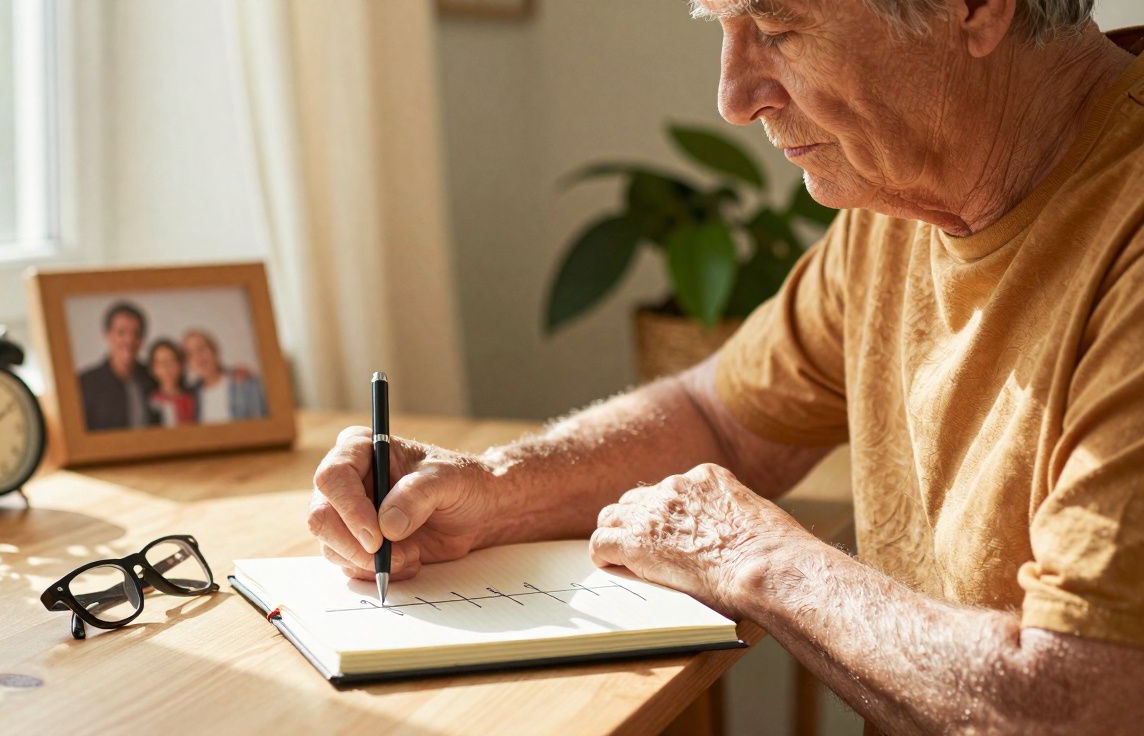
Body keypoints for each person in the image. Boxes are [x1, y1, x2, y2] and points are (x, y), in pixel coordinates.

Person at [308, 2, 1144, 733]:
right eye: (721, 25)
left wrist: (756, 556)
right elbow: (721, 416)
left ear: (974, 6)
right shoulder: (907, 191)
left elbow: (1080, 706)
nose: (734, 99)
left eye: (777, 28)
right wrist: (492, 489)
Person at [77, 302, 158, 431]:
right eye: (121, 333)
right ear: (107, 335)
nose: (129, 340)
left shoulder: (153, 378)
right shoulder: (85, 384)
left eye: (136, 334)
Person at [181, 329, 268, 423]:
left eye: (201, 348)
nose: (198, 357)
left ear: (215, 350)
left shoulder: (245, 383)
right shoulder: (191, 395)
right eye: (190, 354)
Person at [146, 339, 196, 427]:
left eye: (171, 361)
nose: (166, 368)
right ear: (153, 369)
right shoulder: (149, 400)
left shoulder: (192, 398)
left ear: (181, 365)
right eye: (161, 363)